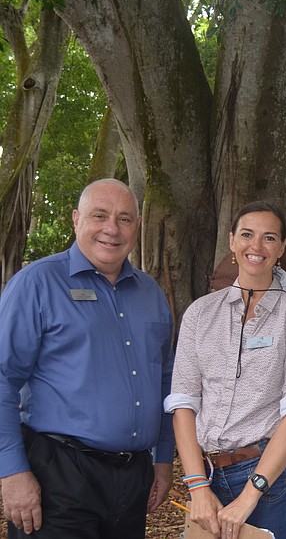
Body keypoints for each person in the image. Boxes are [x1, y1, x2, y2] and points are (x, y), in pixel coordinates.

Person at [0, 179, 175, 539]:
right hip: (59, 476)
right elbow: (3, 379)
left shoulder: (150, 292)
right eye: (100, 215)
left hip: (133, 477)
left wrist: (163, 458)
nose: (112, 228)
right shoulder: (37, 284)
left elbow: (167, 381)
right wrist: (11, 472)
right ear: (76, 219)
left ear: (136, 227)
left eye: (125, 219)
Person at [165, 201, 286, 539]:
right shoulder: (200, 314)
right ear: (232, 241)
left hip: (269, 479)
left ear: (281, 249)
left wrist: (251, 495)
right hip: (206, 475)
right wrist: (197, 488)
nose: (256, 246)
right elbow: (183, 404)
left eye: (269, 238)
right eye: (247, 235)